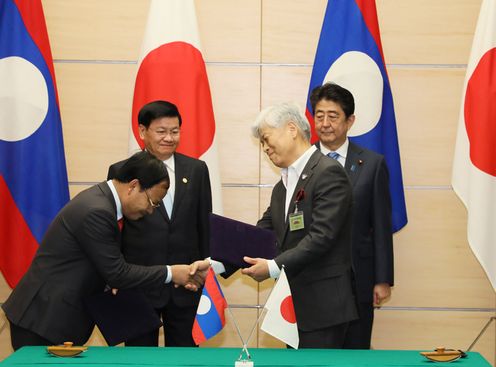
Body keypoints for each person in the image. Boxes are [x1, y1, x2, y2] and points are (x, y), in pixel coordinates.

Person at [2, 151, 209, 351]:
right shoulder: (97, 211)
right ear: (134, 186)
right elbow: (117, 273)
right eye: (152, 202)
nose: (149, 210)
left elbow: (108, 269)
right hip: (43, 319)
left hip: (54, 318)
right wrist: (172, 273)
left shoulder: (103, 202)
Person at [241, 102, 358, 349]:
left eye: (266, 139)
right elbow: (262, 233)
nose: (264, 148)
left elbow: (321, 237)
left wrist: (272, 267)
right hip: (293, 306)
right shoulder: (282, 185)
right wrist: (220, 259)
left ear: (291, 129)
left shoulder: (328, 172)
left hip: (323, 308)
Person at [107, 100, 213, 347]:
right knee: (139, 360)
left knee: (185, 361)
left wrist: (206, 269)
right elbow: (114, 230)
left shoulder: (196, 169)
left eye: (174, 131)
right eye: (161, 131)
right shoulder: (122, 170)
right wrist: (112, 277)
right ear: (143, 131)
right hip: (139, 285)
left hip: (185, 285)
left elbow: (204, 225)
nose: (169, 138)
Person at [310, 82, 394, 349]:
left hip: (357, 278)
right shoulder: (301, 159)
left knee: (354, 353)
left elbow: (380, 226)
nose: (324, 123)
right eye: (319, 116)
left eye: (333, 116)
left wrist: (382, 279)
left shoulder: (372, 164)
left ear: (350, 120)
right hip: (310, 279)